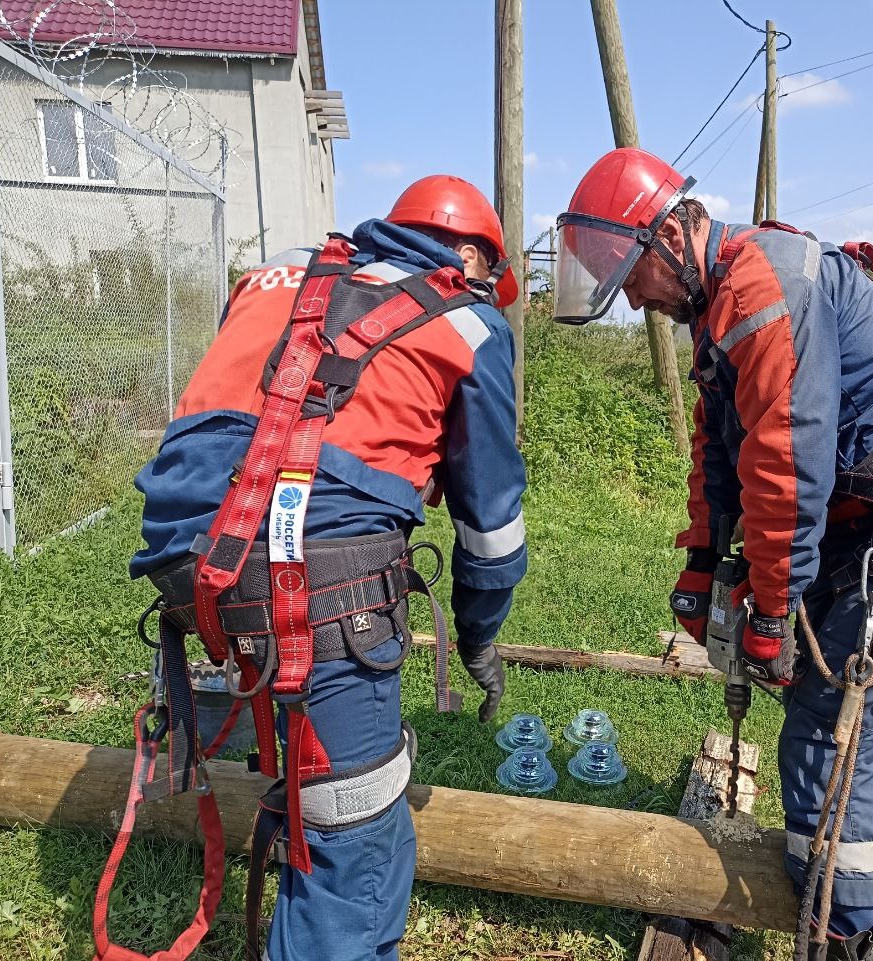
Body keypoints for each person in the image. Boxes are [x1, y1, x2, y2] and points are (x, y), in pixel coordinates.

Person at [554, 148, 873, 960]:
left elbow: (786, 468)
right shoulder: (721, 304)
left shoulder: (765, 291)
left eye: (632, 274)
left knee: (836, 736)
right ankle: (826, 904)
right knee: (816, 720)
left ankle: (840, 936)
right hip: (863, 519)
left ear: (670, 235)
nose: (631, 297)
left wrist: (771, 611)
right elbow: (719, 452)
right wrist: (701, 567)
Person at [129, 175, 527, 960]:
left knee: (326, 771)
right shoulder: (470, 319)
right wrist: (479, 641)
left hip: (184, 564)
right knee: (356, 839)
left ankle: (260, 719)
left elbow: (256, 417)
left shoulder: (282, 272)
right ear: (474, 256)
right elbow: (491, 530)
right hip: (318, 583)